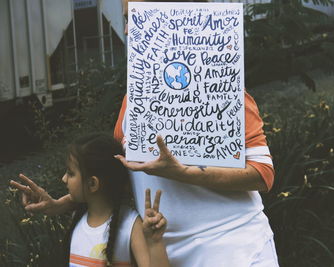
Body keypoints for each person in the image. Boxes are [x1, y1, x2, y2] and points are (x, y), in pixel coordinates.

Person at [11, 0, 279, 266]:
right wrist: (63, 203)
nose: (127, 30)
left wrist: (183, 174)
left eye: (133, 18)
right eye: (127, 19)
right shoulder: (133, 102)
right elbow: (115, 174)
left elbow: (262, 174)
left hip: (238, 250)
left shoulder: (224, 88)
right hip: (164, 253)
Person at [12, 134, 169, 267]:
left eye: (70, 173)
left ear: (93, 183)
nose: (64, 179)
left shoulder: (131, 226)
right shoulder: (78, 218)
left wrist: (155, 243)